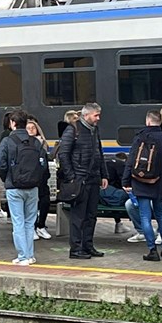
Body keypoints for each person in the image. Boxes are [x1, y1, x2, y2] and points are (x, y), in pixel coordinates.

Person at [122, 110, 162, 261]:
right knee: (161, 215)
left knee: (145, 216)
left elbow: (131, 161)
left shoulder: (140, 137)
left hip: (141, 182)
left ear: (148, 121)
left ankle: (152, 250)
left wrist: (126, 181)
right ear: (160, 121)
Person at [58, 103, 109, 260]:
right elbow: (64, 154)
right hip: (80, 179)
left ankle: (88, 245)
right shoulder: (73, 130)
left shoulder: (94, 130)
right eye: (96, 115)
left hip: (93, 178)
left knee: (91, 214)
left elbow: (99, 152)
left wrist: (103, 175)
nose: (98, 118)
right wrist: (72, 176)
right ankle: (76, 248)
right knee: (78, 215)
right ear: (86, 115)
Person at [0, 112, 47, 265]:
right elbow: (43, 164)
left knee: (18, 222)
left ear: (12, 123)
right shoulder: (36, 142)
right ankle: (30, 255)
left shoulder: (7, 141)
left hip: (14, 187)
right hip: (33, 187)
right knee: (30, 222)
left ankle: (23, 256)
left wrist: (7, 178)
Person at [26, 119, 52, 240]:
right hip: (31, 179)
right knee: (32, 205)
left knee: (45, 202)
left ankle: (41, 226)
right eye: (28, 128)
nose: (31, 130)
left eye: (33, 127)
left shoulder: (43, 144)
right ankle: (32, 227)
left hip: (43, 178)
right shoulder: (25, 144)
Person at [102, 151, 133, 235]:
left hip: (102, 196)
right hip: (113, 198)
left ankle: (118, 223)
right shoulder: (121, 165)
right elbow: (124, 183)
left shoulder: (105, 162)